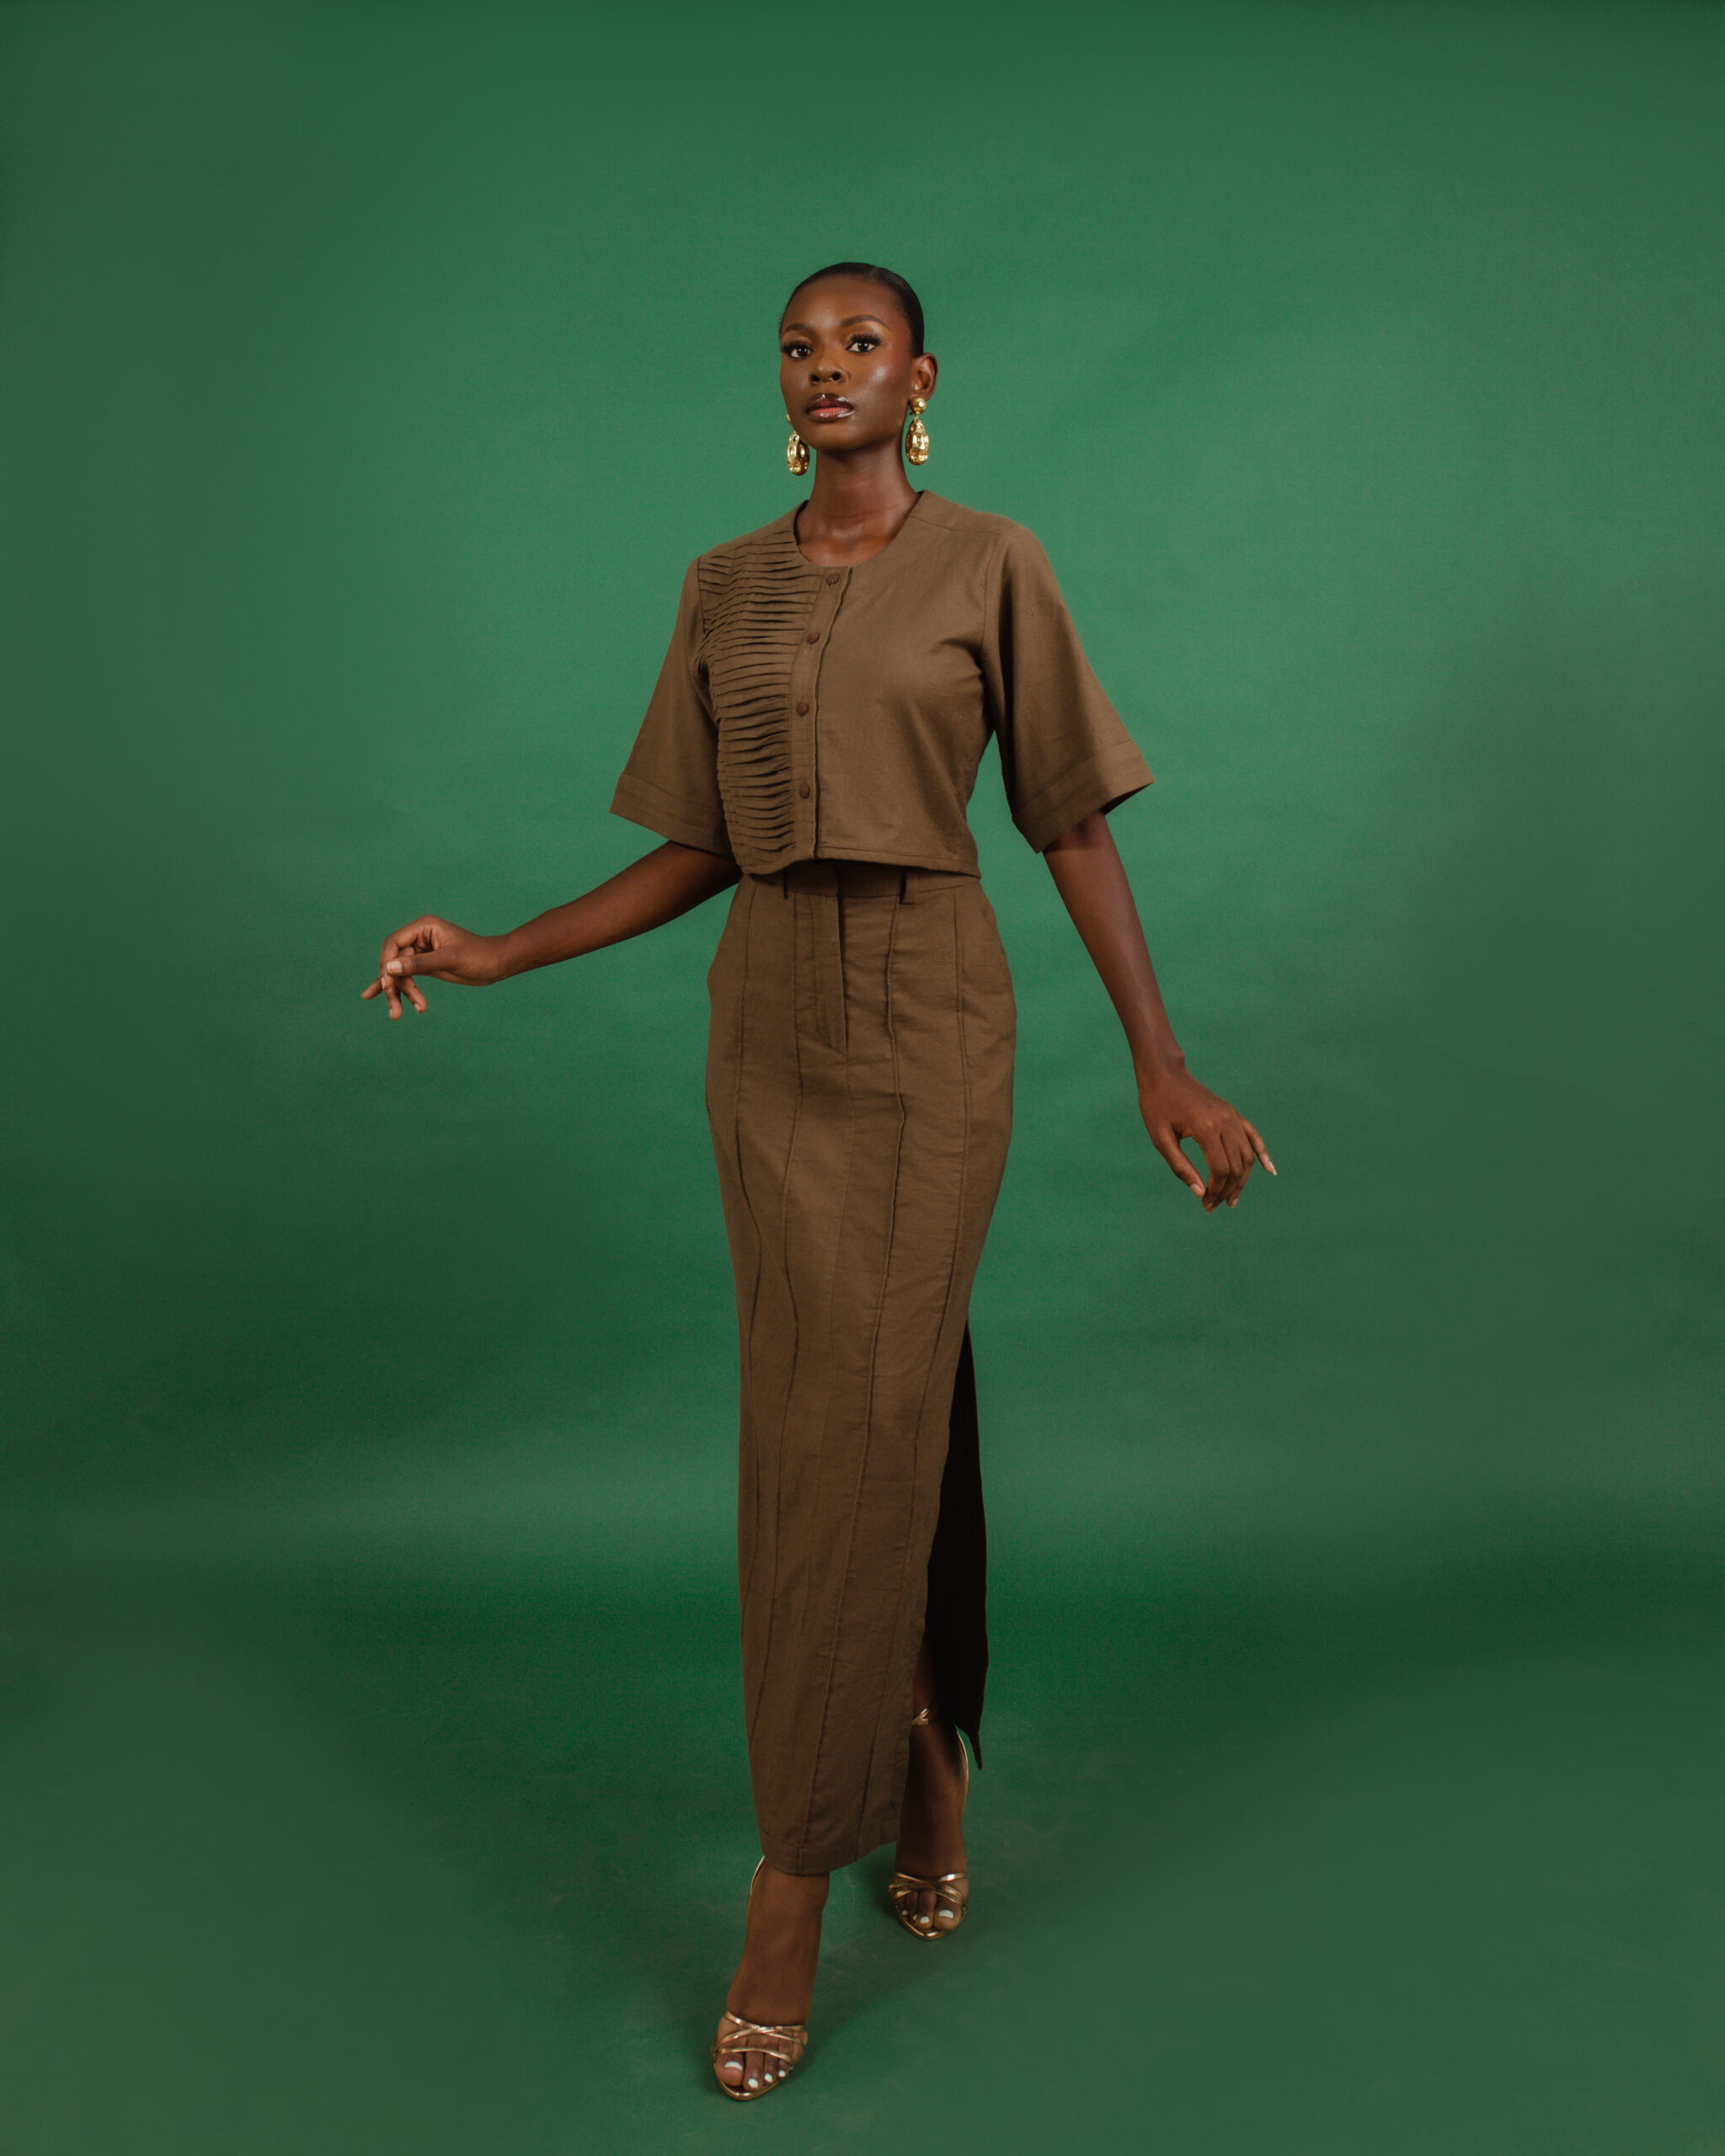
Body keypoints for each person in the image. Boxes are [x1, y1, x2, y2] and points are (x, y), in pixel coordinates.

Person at [362, 260, 1273, 2100]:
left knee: (861, 1414)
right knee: (828, 1419)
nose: (826, 365)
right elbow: (707, 843)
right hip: (767, 1030)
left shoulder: (991, 563)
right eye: (799, 345)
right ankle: (922, 1743)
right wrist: (506, 947)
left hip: (932, 1023)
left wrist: (1157, 1057)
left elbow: (1067, 820)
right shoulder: (725, 586)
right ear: (780, 387)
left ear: (920, 377)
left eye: (861, 342)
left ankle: (789, 1878)